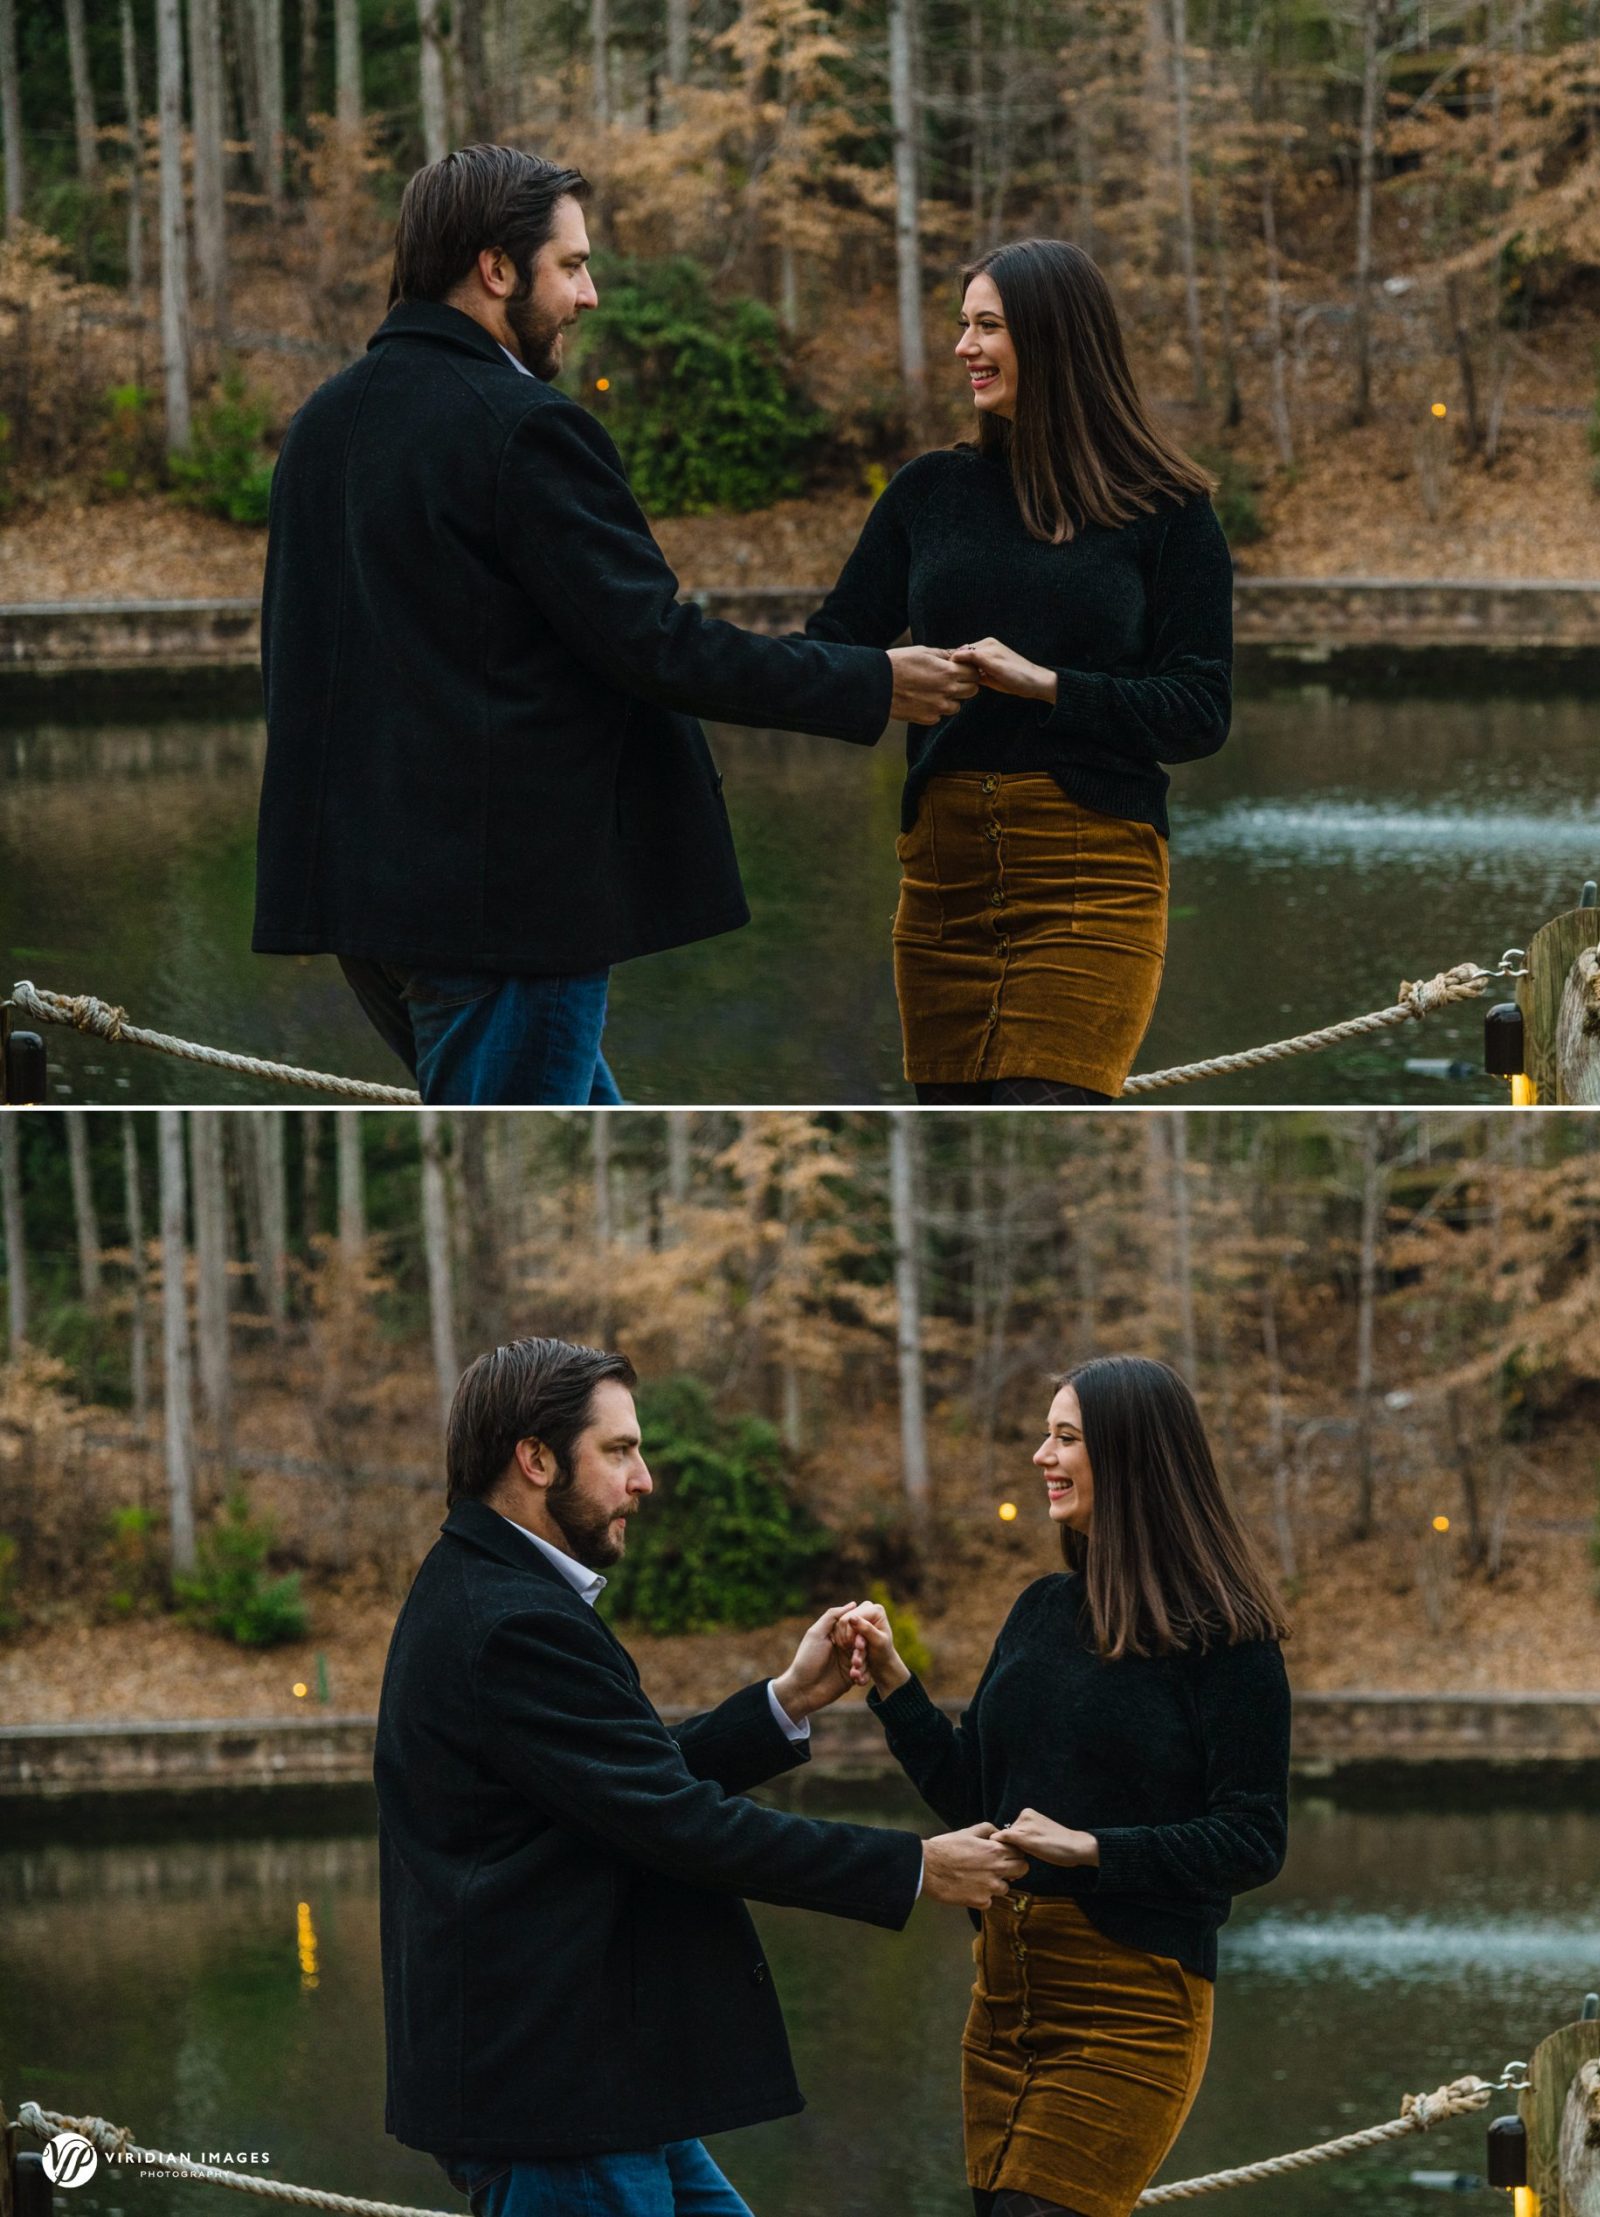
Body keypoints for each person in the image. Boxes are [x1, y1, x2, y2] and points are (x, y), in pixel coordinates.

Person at [254, 145, 975, 1106]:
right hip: (510, 912)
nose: (589, 295)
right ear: (495, 269)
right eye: (573, 265)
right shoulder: (523, 427)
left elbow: (293, 663)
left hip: (366, 908)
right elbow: (655, 643)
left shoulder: (320, 426)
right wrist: (872, 682)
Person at [376, 1335, 1026, 2217]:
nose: (644, 1479)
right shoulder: (508, 1621)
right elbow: (676, 1821)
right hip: (558, 2109)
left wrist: (784, 1701)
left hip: (603, 2086)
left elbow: (618, 1788)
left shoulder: (496, 1591)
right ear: (533, 1458)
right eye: (619, 1450)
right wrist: (915, 1867)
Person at [834, 1355, 1291, 2217]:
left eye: (1066, 1436)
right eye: (1047, 1434)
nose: (1043, 1455)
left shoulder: (1228, 1640)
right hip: (1004, 1994)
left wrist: (1092, 1850)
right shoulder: (1041, 1609)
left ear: (1131, 1457)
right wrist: (895, 1687)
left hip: (1133, 2003)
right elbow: (977, 1791)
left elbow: (1253, 1836)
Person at [807, 239, 1234, 1104]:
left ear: (1055, 339)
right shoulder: (930, 492)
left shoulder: (1169, 510)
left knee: (1046, 1113)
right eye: (962, 324)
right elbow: (831, 647)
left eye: (988, 325)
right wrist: (889, 675)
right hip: (941, 889)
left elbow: (1200, 709)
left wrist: (1047, 684)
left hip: (1093, 884)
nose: (964, 345)